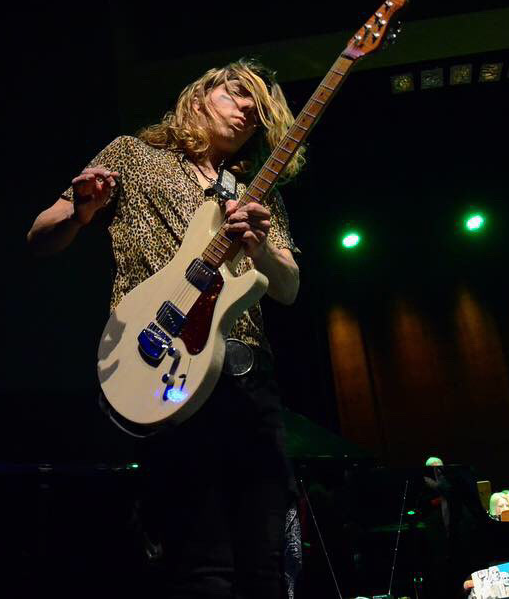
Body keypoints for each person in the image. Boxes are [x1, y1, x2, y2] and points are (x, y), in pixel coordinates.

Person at [28, 59, 303, 598]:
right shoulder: (132, 155)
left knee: (266, 557)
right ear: (199, 96)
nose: (248, 109)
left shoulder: (257, 191)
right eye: (236, 93)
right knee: (198, 557)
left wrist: (263, 246)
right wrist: (82, 211)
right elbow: (41, 235)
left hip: (247, 373)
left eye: (259, 107)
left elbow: (289, 287)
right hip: (164, 364)